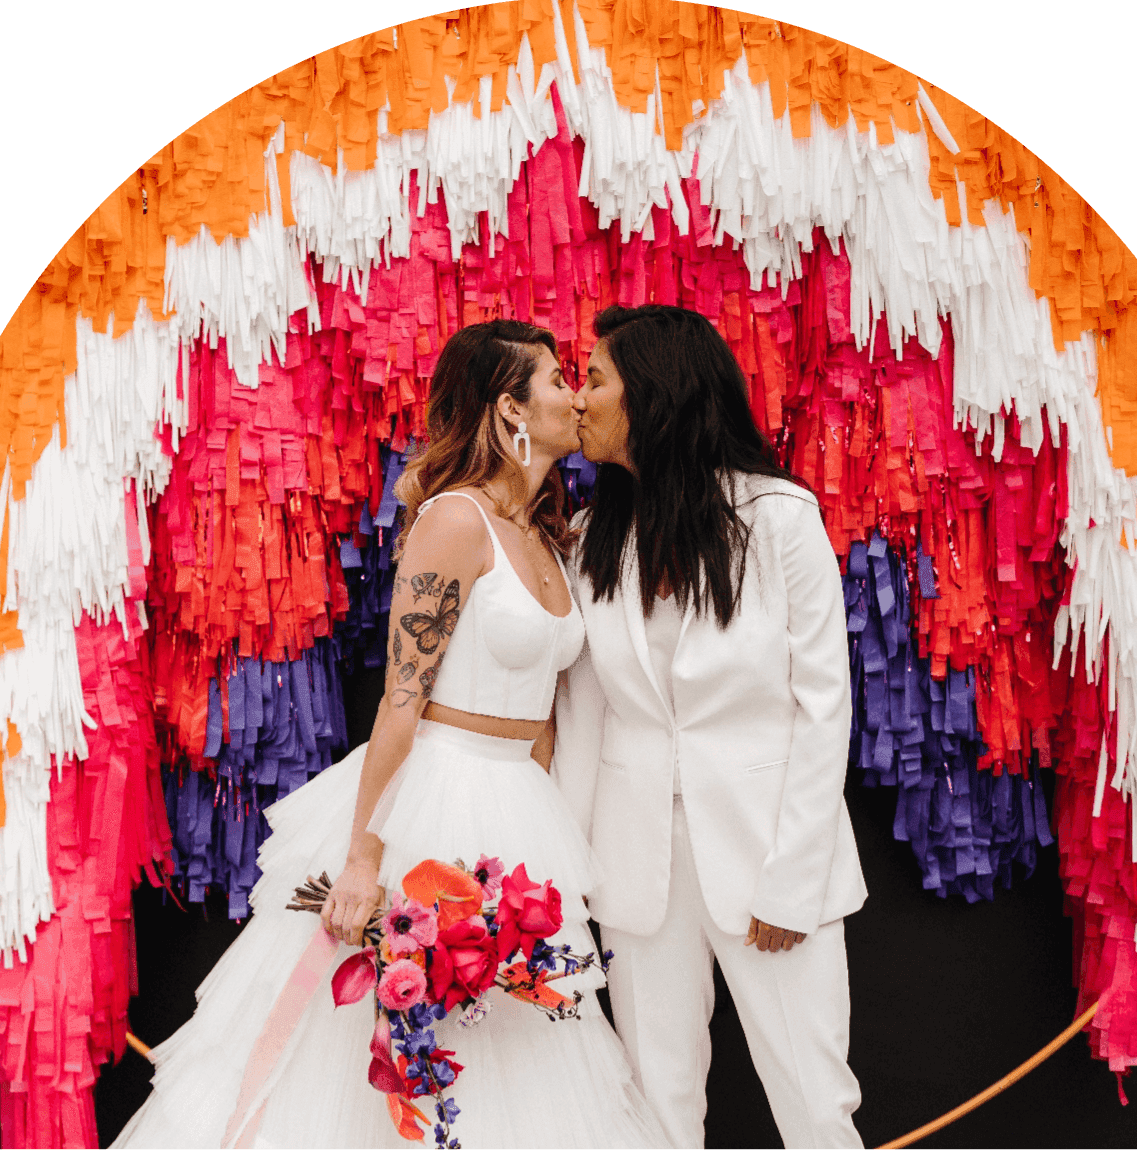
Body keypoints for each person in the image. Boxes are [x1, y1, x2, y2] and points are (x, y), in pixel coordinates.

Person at [114, 321, 667, 1149]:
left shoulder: (550, 534)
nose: (577, 396)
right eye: (558, 381)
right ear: (509, 408)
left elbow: (548, 712)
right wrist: (365, 858)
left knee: (514, 1044)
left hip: (524, 813)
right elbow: (401, 698)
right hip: (435, 795)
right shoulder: (456, 520)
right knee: (401, 1046)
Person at [553, 304, 868, 1150]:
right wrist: (567, 878)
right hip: (634, 868)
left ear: (654, 394)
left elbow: (822, 706)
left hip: (769, 859)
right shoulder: (589, 537)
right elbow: (585, 715)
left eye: (593, 378)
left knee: (815, 1102)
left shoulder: (778, 519)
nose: (578, 399)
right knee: (655, 1106)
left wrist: (792, 883)